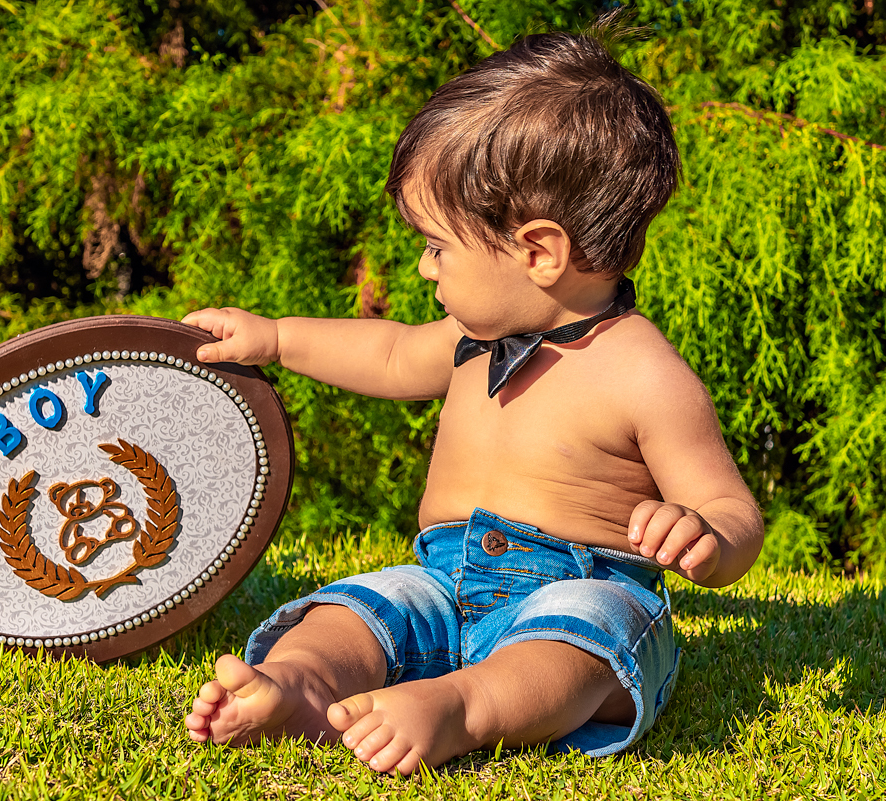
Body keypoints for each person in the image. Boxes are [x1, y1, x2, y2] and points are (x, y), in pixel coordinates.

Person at [180, 28, 763, 775]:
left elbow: (731, 510)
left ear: (539, 252)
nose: (425, 268)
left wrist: (703, 536)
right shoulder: (473, 336)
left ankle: (460, 707)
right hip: (442, 580)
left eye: (437, 246)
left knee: (586, 635)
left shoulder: (643, 373)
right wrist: (276, 337)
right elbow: (389, 354)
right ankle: (299, 684)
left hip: (574, 588)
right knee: (359, 606)